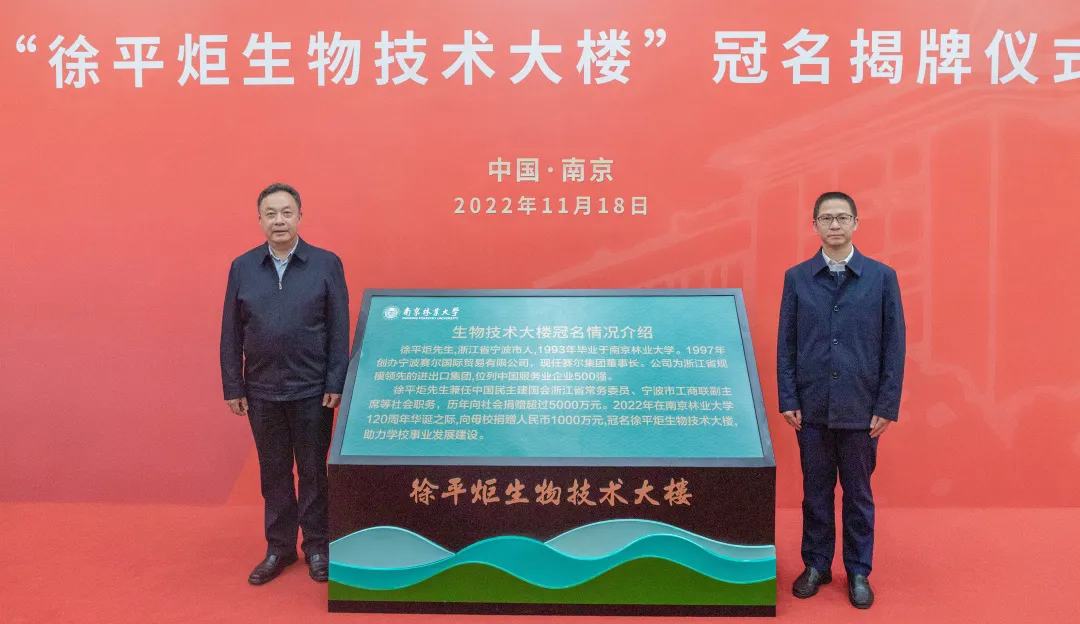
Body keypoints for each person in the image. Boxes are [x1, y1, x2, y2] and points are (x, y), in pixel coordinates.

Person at [776, 191, 905, 609]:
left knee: (858, 494)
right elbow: (786, 343)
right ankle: (816, 565)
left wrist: (886, 406)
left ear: (856, 223)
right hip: (811, 407)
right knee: (815, 493)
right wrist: (788, 397)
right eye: (827, 218)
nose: (835, 225)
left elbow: (894, 346)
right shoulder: (797, 278)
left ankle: (858, 570)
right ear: (814, 225)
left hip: (861, 409)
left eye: (842, 217)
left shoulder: (881, 277)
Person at [220, 183, 349, 585]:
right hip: (262, 391)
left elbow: (339, 327)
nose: (279, 220)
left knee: (313, 472)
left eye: (287, 212)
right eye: (271, 213)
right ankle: (279, 548)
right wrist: (233, 385)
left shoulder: (325, 264)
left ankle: (318, 547)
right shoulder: (243, 267)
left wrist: (336, 380)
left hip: (313, 390)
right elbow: (230, 331)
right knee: (273, 473)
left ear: (300, 217)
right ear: (260, 220)